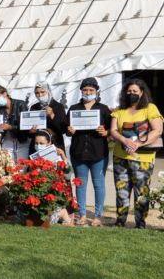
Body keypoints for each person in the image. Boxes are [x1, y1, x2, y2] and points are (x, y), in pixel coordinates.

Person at [109, 78, 164, 229]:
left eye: (135, 91)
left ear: (142, 93)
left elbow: (157, 130)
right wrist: (124, 140)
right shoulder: (120, 109)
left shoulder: (150, 108)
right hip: (121, 156)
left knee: (141, 191)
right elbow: (113, 130)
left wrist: (137, 143)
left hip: (143, 158)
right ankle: (120, 220)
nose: (131, 93)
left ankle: (140, 222)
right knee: (121, 190)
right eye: (129, 91)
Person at [65, 77, 111, 227]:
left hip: (98, 153)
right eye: (85, 90)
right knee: (80, 184)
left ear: (96, 91)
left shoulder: (103, 109)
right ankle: (83, 215)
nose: (88, 92)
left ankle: (98, 216)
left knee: (99, 184)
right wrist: (70, 131)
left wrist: (106, 132)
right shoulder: (74, 108)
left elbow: (112, 129)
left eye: (91, 90)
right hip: (78, 152)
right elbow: (68, 131)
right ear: (81, 91)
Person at [17, 129, 74, 226]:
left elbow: (67, 176)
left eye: (41, 143)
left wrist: (64, 158)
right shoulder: (33, 159)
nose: (38, 146)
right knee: (20, 219)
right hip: (36, 193)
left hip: (51, 195)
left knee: (43, 221)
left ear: (49, 143)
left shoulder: (57, 157)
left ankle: (61, 213)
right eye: (36, 143)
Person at [0, 85, 30, 162]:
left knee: (22, 167)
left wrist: (11, 127)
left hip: (22, 140)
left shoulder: (20, 104)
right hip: (7, 140)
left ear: (5, 94)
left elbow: (25, 125)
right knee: (8, 165)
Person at [27, 81, 68, 155]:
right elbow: (29, 131)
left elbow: (63, 129)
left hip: (55, 144)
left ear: (48, 91)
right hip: (37, 146)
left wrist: (52, 115)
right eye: (37, 93)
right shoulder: (34, 107)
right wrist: (31, 131)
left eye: (43, 92)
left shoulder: (58, 107)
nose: (40, 95)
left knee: (53, 166)